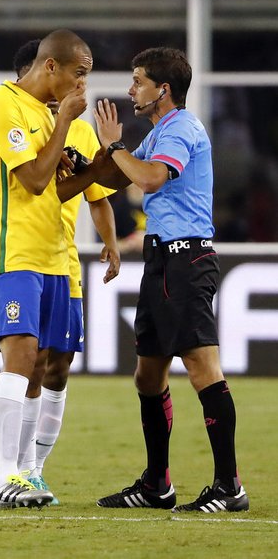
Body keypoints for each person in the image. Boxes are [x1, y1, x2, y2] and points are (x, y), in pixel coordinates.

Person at [0, 39, 119, 505]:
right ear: (51, 66)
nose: (83, 85)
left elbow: (56, 191)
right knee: (22, 360)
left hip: (57, 258)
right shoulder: (1, 104)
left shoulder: (51, 118)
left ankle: (28, 473)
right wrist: (65, 120)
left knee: (51, 367)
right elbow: (30, 180)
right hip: (15, 254)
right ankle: (5, 478)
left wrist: (99, 168)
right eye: (79, 74)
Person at [86, 47, 248, 512]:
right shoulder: (160, 131)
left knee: (202, 369)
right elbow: (117, 175)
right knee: (147, 374)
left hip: (186, 259)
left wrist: (114, 148)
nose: (131, 88)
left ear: (164, 89)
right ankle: (158, 484)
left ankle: (229, 486)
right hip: (161, 261)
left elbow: (151, 178)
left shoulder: (181, 128)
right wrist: (80, 163)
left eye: (137, 80)